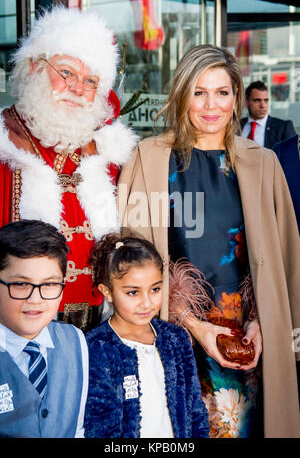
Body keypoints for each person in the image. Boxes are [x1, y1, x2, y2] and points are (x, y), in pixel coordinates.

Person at [117, 45, 300, 438]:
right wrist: (195, 326)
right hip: (171, 332)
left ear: (236, 97)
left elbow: (287, 260)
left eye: (222, 92)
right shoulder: (146, 160)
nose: (210, 105)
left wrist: (264, 323)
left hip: (247, 345)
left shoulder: (263, 163)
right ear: (182, 94)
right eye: (198, 92)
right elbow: (126, 260)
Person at [0, 6, 138, 332]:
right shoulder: (5, 145)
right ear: (35, 66)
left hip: (98, 329)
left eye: (90, 80)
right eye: (66, 73)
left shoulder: (108, 156)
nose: (77, 88)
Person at [84, 233, 209, 438]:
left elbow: (195, 411)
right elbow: (101, 428)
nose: (147, 303)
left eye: (155, 289)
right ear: (107, 291)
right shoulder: (97, 349)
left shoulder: (175, 338)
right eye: (133, 292)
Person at [0, 220, 88, 438]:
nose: (35, 299)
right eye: (20, 284)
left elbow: (76, 428)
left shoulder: (75, 341)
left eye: (49, 284)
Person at [240, 80, 296, 148]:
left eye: (266, 100)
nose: (263, 105)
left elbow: (292, 156)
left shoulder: (283, 128)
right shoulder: (237, 126)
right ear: (246, 103)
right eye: (257, 100)